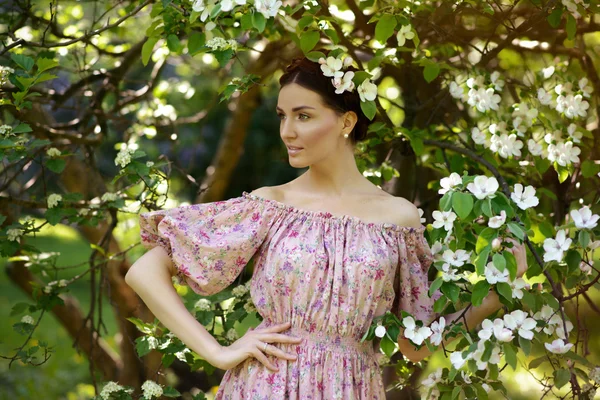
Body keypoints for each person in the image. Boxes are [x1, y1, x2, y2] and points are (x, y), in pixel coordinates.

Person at [125, 50, 528, 399]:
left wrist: (495, 294)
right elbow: (145, 271)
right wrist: (217, 352)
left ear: (346, 121)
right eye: (283, 116)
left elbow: (416, 345)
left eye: (303, 116)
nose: (287, 131)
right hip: (266, 385)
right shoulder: (271, 205)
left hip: (352, 387)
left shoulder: (398, 219)